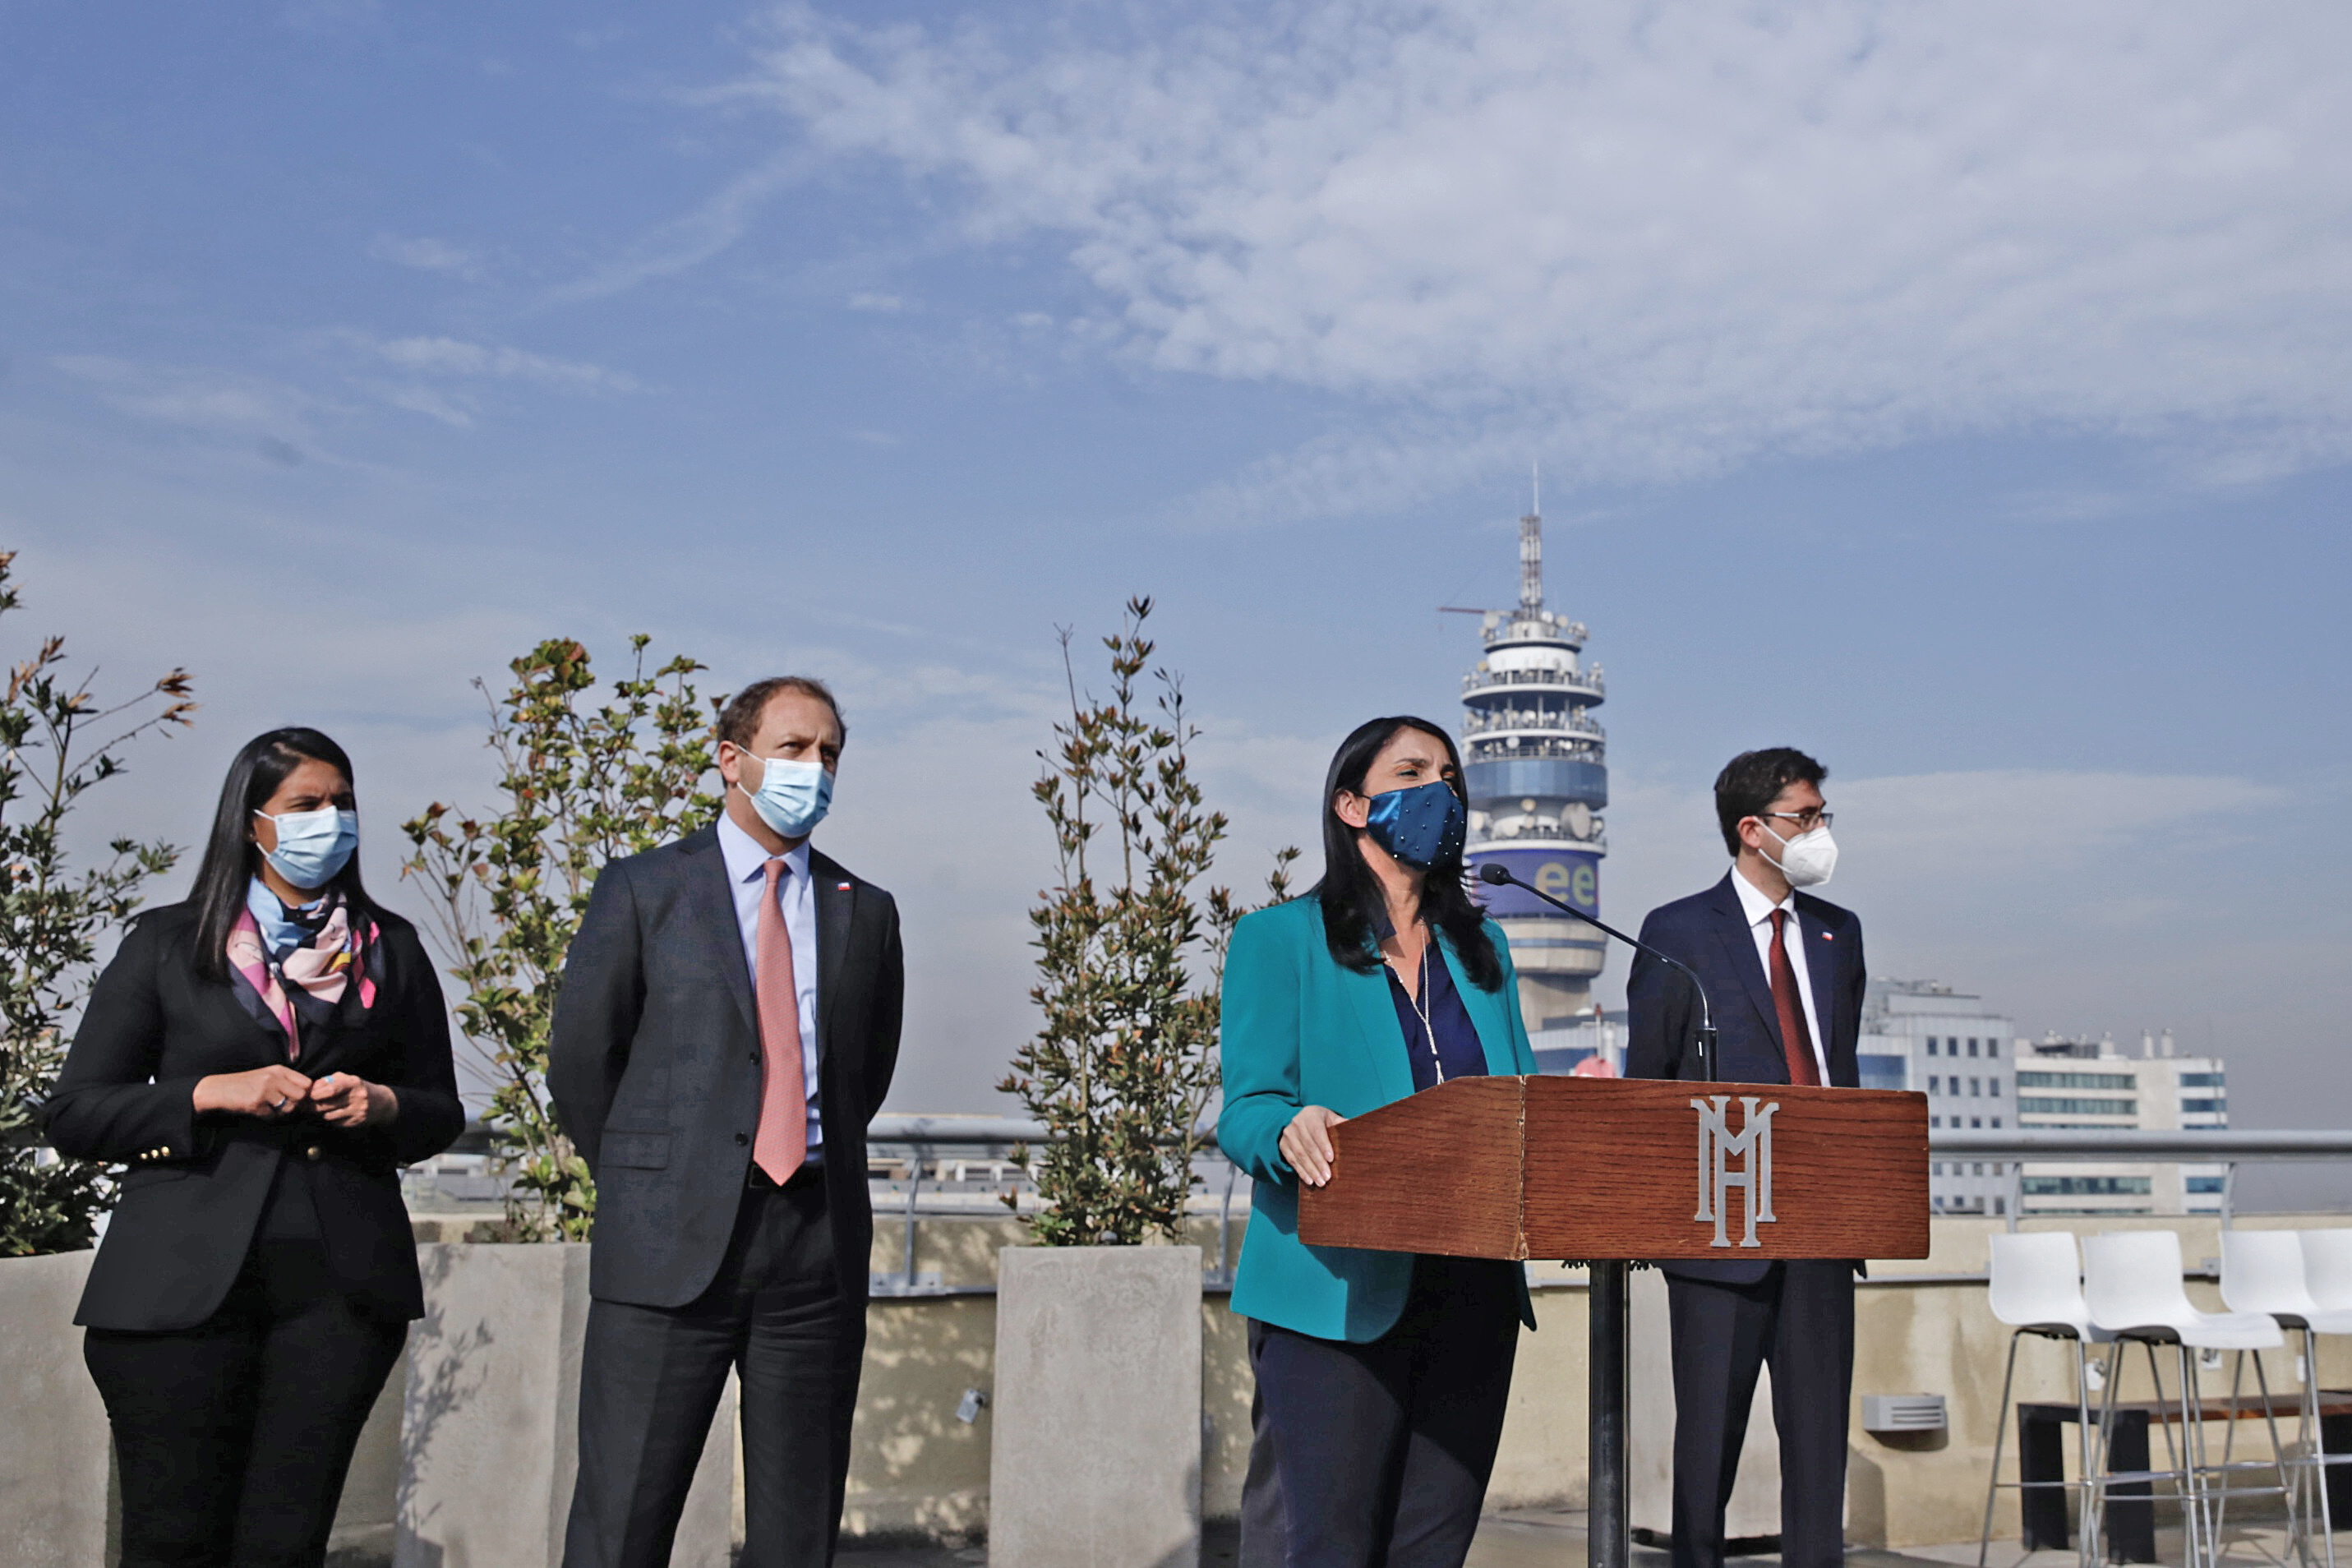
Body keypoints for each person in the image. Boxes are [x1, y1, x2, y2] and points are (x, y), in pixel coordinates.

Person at [44, 727, 464, 1568]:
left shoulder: (395, 949)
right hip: (174, 1297)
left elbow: (439, 1112)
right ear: (252, 821)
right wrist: (205, 1094)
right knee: (171, 1541)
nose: (330, 821)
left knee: (285, 1544)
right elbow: (76, 1113)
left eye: (342, 804)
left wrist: (383, 1105)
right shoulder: (166, 945)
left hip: (337, 1299)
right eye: (305, 805)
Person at [551, 676, 904, 1568]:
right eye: (793, 748)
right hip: (668, 1248)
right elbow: (584, 1066)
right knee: (622, 1519)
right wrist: (662, 1182)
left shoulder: (865, 911)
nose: (813, 768)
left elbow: (864, 1073)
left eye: (829, 753)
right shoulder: (643, 890)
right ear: (731, 760)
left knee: (798, 1527)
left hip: (815, 1250)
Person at [1218, 716, 1540, 1568]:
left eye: (1450, 775)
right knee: (1327, 1547)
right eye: (1413, 771)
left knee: (1431, 1549)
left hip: (1472, 1291)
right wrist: (1289, 1128)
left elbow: (1526, 1112)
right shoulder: (1278, 939)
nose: (1442, 790)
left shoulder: (1486, 952)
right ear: (1353, 805)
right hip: (1335, 1289)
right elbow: (1245, 1107)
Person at [1624, 747, 1867, 1568]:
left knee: (1817, 1459)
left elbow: (1841, 1073)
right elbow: (1648, 1089)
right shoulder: (1677, 932)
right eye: (1806, 817)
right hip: (1719, 1239)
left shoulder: (1840, 934)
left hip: (1824, 1232)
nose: (1820, 832)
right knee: (1706, 1461)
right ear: (1752, 830)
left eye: (1823, 815)